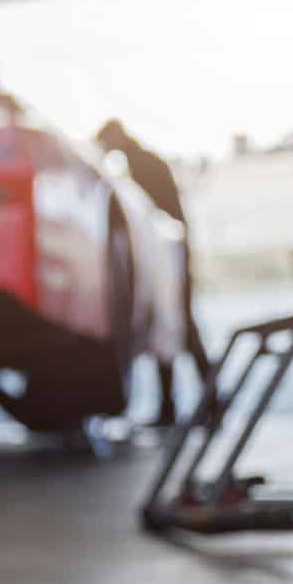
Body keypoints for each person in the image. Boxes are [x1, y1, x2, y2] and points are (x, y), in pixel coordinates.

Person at [96, 119, 210, 424]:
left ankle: (203, 403)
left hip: (168, 263)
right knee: (173, 332)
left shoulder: (142, 167)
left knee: (178, 331)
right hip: (170, 260)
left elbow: (156, 222)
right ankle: (185, 405)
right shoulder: (142, 163)